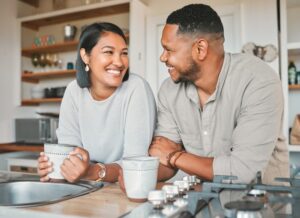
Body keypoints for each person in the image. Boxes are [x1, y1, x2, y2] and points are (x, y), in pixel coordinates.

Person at [149, 4, 289, 184]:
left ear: (200, 49)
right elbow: (163, 156)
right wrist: (135, 173)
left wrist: (175, 156)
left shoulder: (258, 82)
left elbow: (241, 172)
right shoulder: (169, 90)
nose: (163, 57)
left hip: (260, 206)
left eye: (169, 49)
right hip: (199, 205)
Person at [38, 22, 156, 183]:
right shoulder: (73, 91)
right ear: (86, 56)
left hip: (125, 189)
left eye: (124, 53)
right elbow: (70, 152)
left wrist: (92, 171)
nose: (120, 62)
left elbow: (135, 163)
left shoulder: (136, 88)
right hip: (85, 188)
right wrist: (55, 169)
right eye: (109, 52)